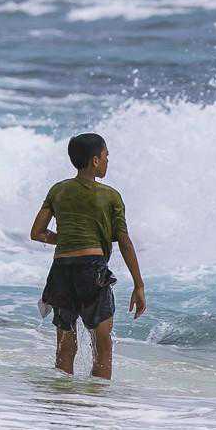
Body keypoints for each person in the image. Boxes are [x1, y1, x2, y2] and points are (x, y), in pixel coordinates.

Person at [30, 132, 145, 379]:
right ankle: (96, 408)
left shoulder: (58, 190)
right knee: (102, 347)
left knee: (65, 347)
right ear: (95, 160)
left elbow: (37, 233)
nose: (107, 162)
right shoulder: (110, 195)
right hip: (92, 269)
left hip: (61, 270)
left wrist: (67, 239)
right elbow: (124, 241)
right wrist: (139, 284)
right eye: (105, 156)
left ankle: (61, 402)